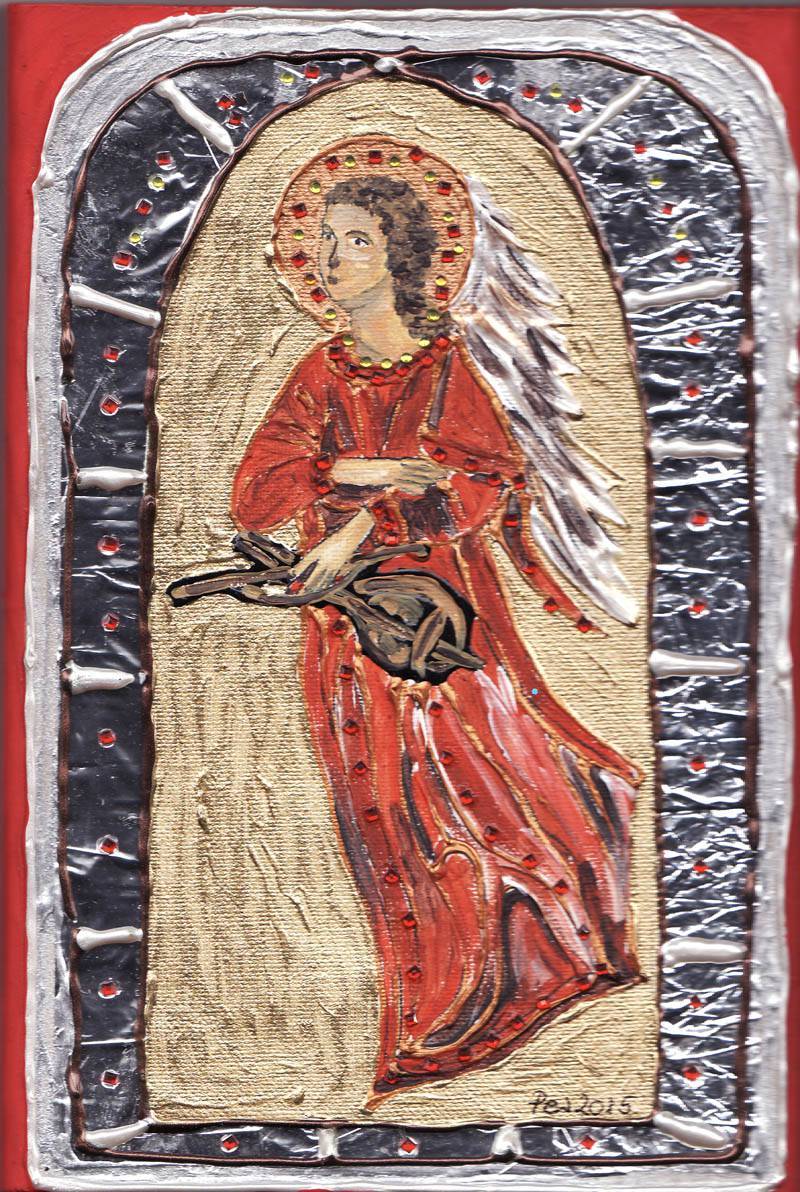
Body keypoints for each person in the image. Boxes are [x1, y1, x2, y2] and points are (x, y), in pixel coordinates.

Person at [232, 136, 643, 1106]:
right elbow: (256, 494)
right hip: (349, 633)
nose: (333, 259)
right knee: (389, 814)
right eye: (326, 241)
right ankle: (431, 1019)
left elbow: (487, 480)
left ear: (402, 257)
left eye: (356, 240)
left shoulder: (446, 366)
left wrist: (374, 512)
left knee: (487, 783)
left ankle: (543, 959)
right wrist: (369, 471)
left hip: (445, 620)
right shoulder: (320, 372)